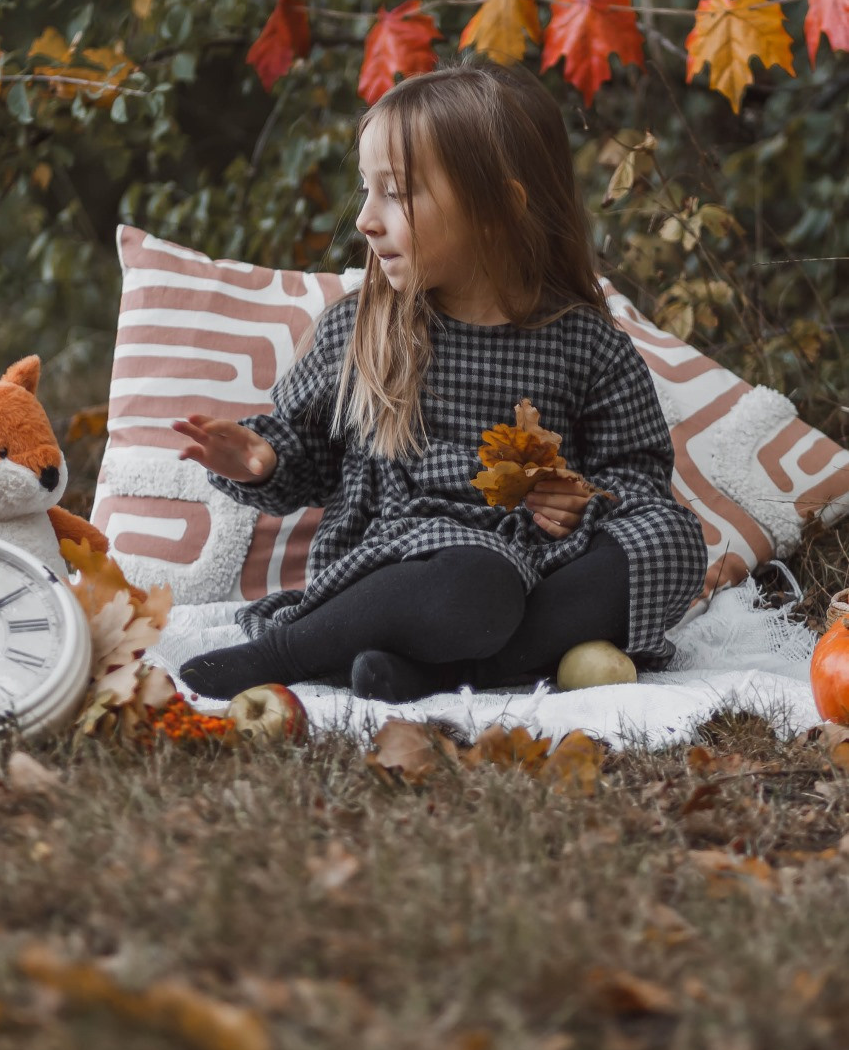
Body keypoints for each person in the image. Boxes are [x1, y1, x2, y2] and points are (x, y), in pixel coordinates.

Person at [175, 61, 708, 704]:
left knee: (674, 541)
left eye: (394, 193)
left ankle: (438, 675)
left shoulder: (587, 345)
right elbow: (309, 455)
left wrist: (583, 500)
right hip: (406, 561)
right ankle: (284, 653)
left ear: (498, 209)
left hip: (539, 563)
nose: (366, 220)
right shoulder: (363, 331)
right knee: (473, 583)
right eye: (366, 192)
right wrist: (263, 459)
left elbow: (639, 476)